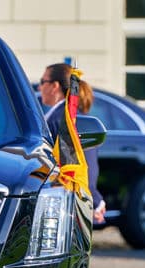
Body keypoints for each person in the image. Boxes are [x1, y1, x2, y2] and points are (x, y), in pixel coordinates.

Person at [39, 62, 106, 224]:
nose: (39, 88)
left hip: (66, 201)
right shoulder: (65, 115)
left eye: (42, 82)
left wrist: (95, 200)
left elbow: (78, 164)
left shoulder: (65, 119)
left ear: (54, 86)